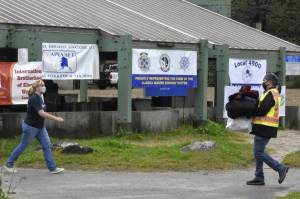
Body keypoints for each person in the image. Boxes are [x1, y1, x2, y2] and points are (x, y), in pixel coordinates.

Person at [3, 80, 65, 174]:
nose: (44, 87)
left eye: (44, 85)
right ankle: (8, 164)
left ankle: (52, 168)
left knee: (47, 146)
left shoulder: (40, 97)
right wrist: (56, 118)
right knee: (23, 145)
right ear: (36, 87)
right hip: (30, 127)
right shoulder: (34, 98)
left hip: (40, 127)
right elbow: (41, 113)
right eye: (41, 85)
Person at [247, 73, 289, 186]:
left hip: (265, 127)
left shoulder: (271, 93)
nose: (263, 82)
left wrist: (250, 111)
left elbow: (263, 110)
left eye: (264, 80)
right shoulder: (270, 93)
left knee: (258, 152)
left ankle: (280, 168)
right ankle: (259, 176)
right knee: (258, 151)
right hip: (263, 127)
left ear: (269, 82)